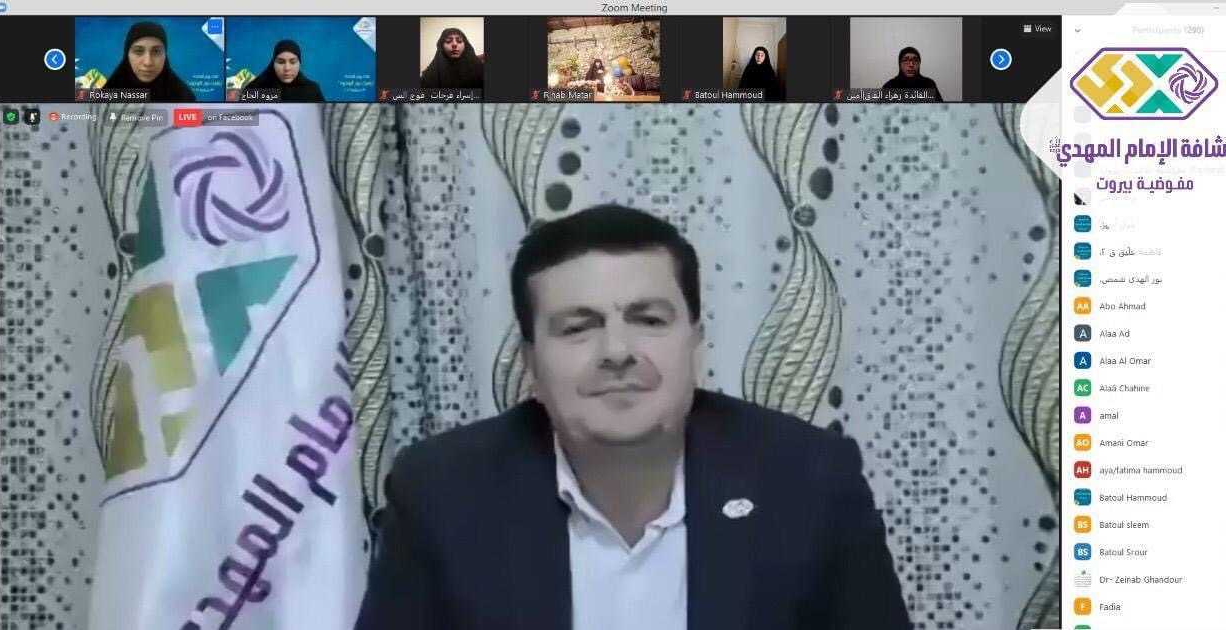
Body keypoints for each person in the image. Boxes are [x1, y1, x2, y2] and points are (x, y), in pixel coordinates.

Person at [355, 205, 911, 630]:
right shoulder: (442, 493)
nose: (617, 352)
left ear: (694, 342)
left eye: (648, 320)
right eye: (578, 327)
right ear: (531, 364)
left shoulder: (808, 478)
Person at [103, 21, 196, 102]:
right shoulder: (107, 96)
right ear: (127, 55)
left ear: (165, 55)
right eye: (138, 51)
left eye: (156, 51)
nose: (148, 62)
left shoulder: (184, 98)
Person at [244, 40, 325, 102]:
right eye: (281, 62)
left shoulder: (312, 90)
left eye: (293, 62)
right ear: (273, 63)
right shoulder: (255, 90)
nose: (287, 68)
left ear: (299, 63)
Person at [419, 27, 484, 89]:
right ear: (441, 47)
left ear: (466, 45)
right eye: (448, 41)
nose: (454, 44)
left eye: (459, 41)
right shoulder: (431, 74)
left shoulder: (479, 68)